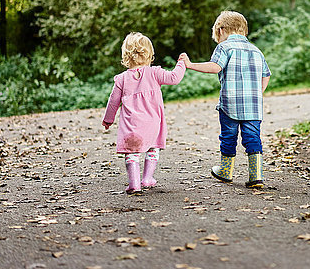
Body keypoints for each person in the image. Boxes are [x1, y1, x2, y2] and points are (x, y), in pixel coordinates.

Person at [179, 11, 271, 188]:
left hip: (230, 104)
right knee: (253, 137)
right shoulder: (256, 50)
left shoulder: (225, 48)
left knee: (229, 137)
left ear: (220, 30)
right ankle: (256, 176)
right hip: (253, 106)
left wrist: (190, 65)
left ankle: (226, 171)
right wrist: (257, 93)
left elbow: (215, 67)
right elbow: (266, 75)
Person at [103, 32, 186, 194]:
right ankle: (148, 178)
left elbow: (113, 101)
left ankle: (134, 184)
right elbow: (175, 78)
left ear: (126, 56)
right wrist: (181, 63)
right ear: (149, 55)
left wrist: (108, 119)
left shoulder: (121, 79)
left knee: (132, 153)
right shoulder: (154, 73)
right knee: (153, 148)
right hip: (153, 123)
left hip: (132, 125)